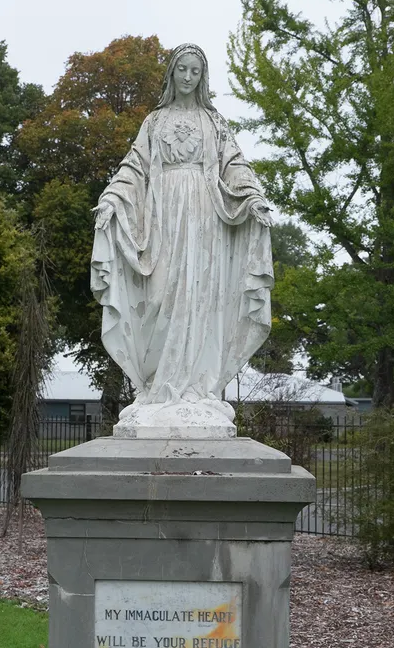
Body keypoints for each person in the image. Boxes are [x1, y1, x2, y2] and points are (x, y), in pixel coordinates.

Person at [91, 43, 274, 434]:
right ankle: (159, 387)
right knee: (161, 295)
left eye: (195, 71)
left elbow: (234, 165)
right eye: (182, 70)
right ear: (172, 73)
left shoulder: (215, 122)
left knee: (199, 296)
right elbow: (134, 167)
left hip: (205, 219)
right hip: (162, 218)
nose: (188, 77)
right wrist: (111, 199)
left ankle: (197, 387)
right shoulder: (155, 122)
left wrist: (253, 196)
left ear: (202, 76)